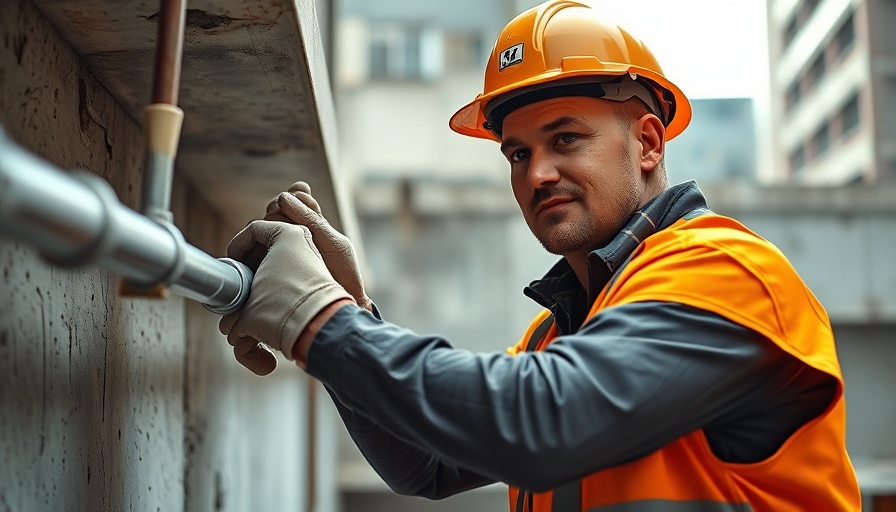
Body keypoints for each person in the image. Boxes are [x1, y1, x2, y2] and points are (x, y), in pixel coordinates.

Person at [218, 1, 861, 510]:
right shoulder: (561, 332)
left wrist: (316, 317)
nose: (538, 173)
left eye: (565, 139)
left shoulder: (725, 273)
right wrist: (352, 311)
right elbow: (426, 465)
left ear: (647, 144)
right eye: (519, 153)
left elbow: (537, 421)